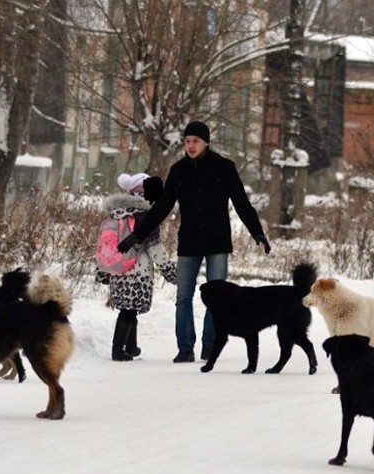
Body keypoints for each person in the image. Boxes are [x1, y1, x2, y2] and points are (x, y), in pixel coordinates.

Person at [118, 120, 271, 363]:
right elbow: (162, 207)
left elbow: (242, 203)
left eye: (195, 141)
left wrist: (257, 232)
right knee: (183, 296)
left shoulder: (224, 168)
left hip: (218, 242)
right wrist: (137, 235)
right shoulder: (179, 171)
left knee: (218, 296)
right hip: (189, 242)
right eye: (187, 141)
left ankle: (210, 344)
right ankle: (185, 347)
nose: (190, 145)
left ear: (206, 142)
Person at [97, 172, 177, 361]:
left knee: (128, 308)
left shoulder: (115, 214)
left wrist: (102, 271)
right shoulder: (146, 217)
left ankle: (131, 347)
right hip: (137, 271)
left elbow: (103, 244)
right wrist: (170, 271)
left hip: (118, 269)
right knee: (128, 310)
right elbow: (155, 249)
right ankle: (117, 350)